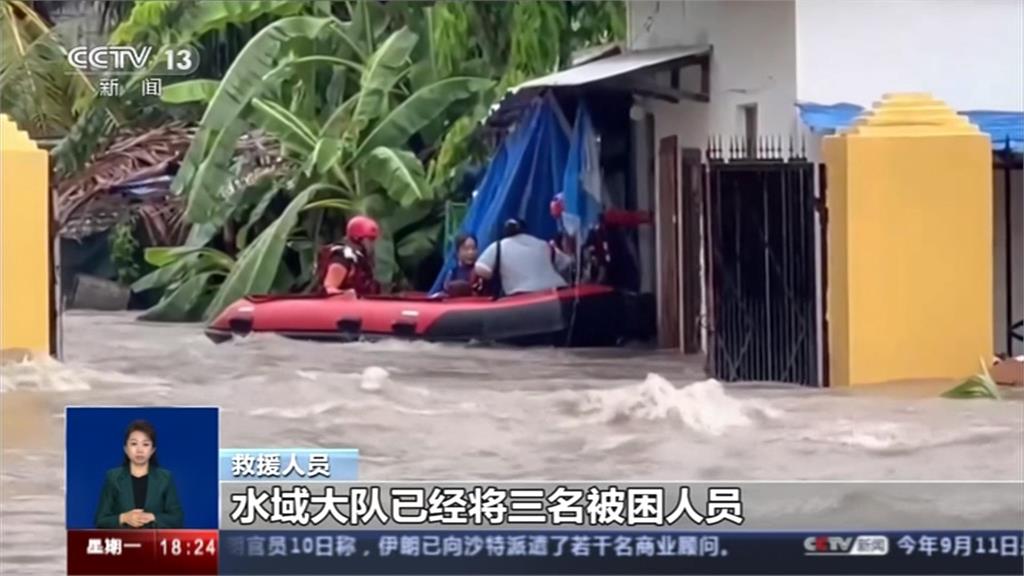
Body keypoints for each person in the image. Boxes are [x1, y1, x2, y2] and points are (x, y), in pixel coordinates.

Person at [94, 420, 183, 529]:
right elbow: (100, 520)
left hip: (154, 543)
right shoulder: (113, 477)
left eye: (145, 444)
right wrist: (124, 518)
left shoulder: (165, 478)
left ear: (153, 450)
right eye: (134, 443)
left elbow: (178, 519)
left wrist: (152, 517)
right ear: (126, 449)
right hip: (123, 542)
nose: (139, 450)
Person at [474, 218, 572, 296]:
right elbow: (567, 262)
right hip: (557, 289)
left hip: (522, 295)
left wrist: (495, 275)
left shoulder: (498, 246)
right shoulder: (543, 244)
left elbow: (480, 268)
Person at [318, 216, 381, 297]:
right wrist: (347, 295)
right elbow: (328, 288)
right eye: (370, 239)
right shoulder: (343, 257)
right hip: (340, 307)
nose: (372, 244)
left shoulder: (359, 259)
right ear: (357, 238)